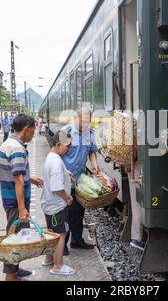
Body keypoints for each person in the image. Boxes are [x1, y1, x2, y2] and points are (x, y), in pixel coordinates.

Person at [0, 114, 44, 281]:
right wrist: (22, 208)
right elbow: (17, 179)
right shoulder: (17, 148)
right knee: (14, 239)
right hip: (15, 202)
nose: (33, 134)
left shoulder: (9, 143)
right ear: (26, 129)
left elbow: (15, 173)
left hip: (10, 198)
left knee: (18, 235)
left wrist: (30, 178)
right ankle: (10, 276)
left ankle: (15, 270)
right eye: (33, 131)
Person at [62, 108, 100, 254]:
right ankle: (62, 244)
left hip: (80, 180)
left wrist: (95, 165)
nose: (84, 124)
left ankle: (77, 240)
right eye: (82, 121)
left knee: (78, 212)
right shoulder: (66, 133)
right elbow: (57, 154)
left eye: (87, 121)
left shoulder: (89, 134)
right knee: (65, 214)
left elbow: (91, 151)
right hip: (66, 180)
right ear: (75, 118)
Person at [41, 130, 76, 276]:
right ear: (58, 144)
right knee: (61, 234)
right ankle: (58, 266)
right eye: (67, 146)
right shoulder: (55, 162)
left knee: (51, 232)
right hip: (57, 206)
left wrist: (66, 173)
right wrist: (67, 197)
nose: (69, 149)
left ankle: (49, 258)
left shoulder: (51, 157)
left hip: (50, 204)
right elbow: (57, 188)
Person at [128, 162, 145, 251]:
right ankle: (137, 238)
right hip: (138, 168)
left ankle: (136, 237)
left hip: (133, 166)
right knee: (138, 205)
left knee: (135, 204)